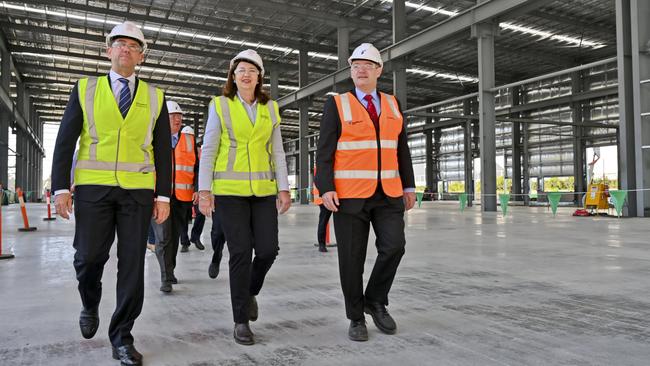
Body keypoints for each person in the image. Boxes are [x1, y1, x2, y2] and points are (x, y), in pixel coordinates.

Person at [51, 21, 171, 366]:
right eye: (119, 44)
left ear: (141, 56)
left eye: (133, 46)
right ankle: (90, 302)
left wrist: (163, 196)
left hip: (137, 191)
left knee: (133, 267)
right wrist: (61, 187)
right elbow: (65, 140)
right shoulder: (85, 88)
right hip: (93, 190)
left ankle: (122, 337)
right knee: (88, 258)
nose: (125, 50)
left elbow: (164, 151)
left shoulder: (154, 96)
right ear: (108, 51)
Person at [315, 43, 416, 342]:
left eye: (367, 64)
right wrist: (326, 188)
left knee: (394, 246)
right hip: (349, 196)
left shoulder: (393, 103)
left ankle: (375, 299)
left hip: (388, 193)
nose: (360, 69)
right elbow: (324, 152)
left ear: (378, 70)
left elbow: (402, 149)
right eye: (355, 65)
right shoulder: (337, 104)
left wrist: (409, 186)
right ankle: (356, 317)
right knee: (351, 259)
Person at [198, 49, 291, 346]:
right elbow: (209, 149)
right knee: (240, 253)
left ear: (259, 76)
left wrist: (284, 187)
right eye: (241, 71)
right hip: (229, 192)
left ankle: (250, 291)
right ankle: (240, 320)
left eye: (252, 70)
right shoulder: (220, 105)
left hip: (263, 191)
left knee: (267, 250)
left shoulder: (270, 108)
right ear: (233, 76)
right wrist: (204, 190)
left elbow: (277, 151)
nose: (246, 75)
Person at [153, 102, 199, 293]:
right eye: (173, 116)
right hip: (159, 197)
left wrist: (198, 188)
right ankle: (165, 277)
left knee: (174, 236)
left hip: (182, 198)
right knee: (163, 237)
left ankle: (169, 271)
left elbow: (196, 167)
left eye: (179, 116)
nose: (177, 119)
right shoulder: (153, 139)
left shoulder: (189, 139)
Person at [312, 168, 330, 252]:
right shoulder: (322, 167)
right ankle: (321, 244)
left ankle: (322, 245)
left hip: (333, 197)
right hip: (324, 199)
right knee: (323, 221)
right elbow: (317, 181)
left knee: (323, 221)